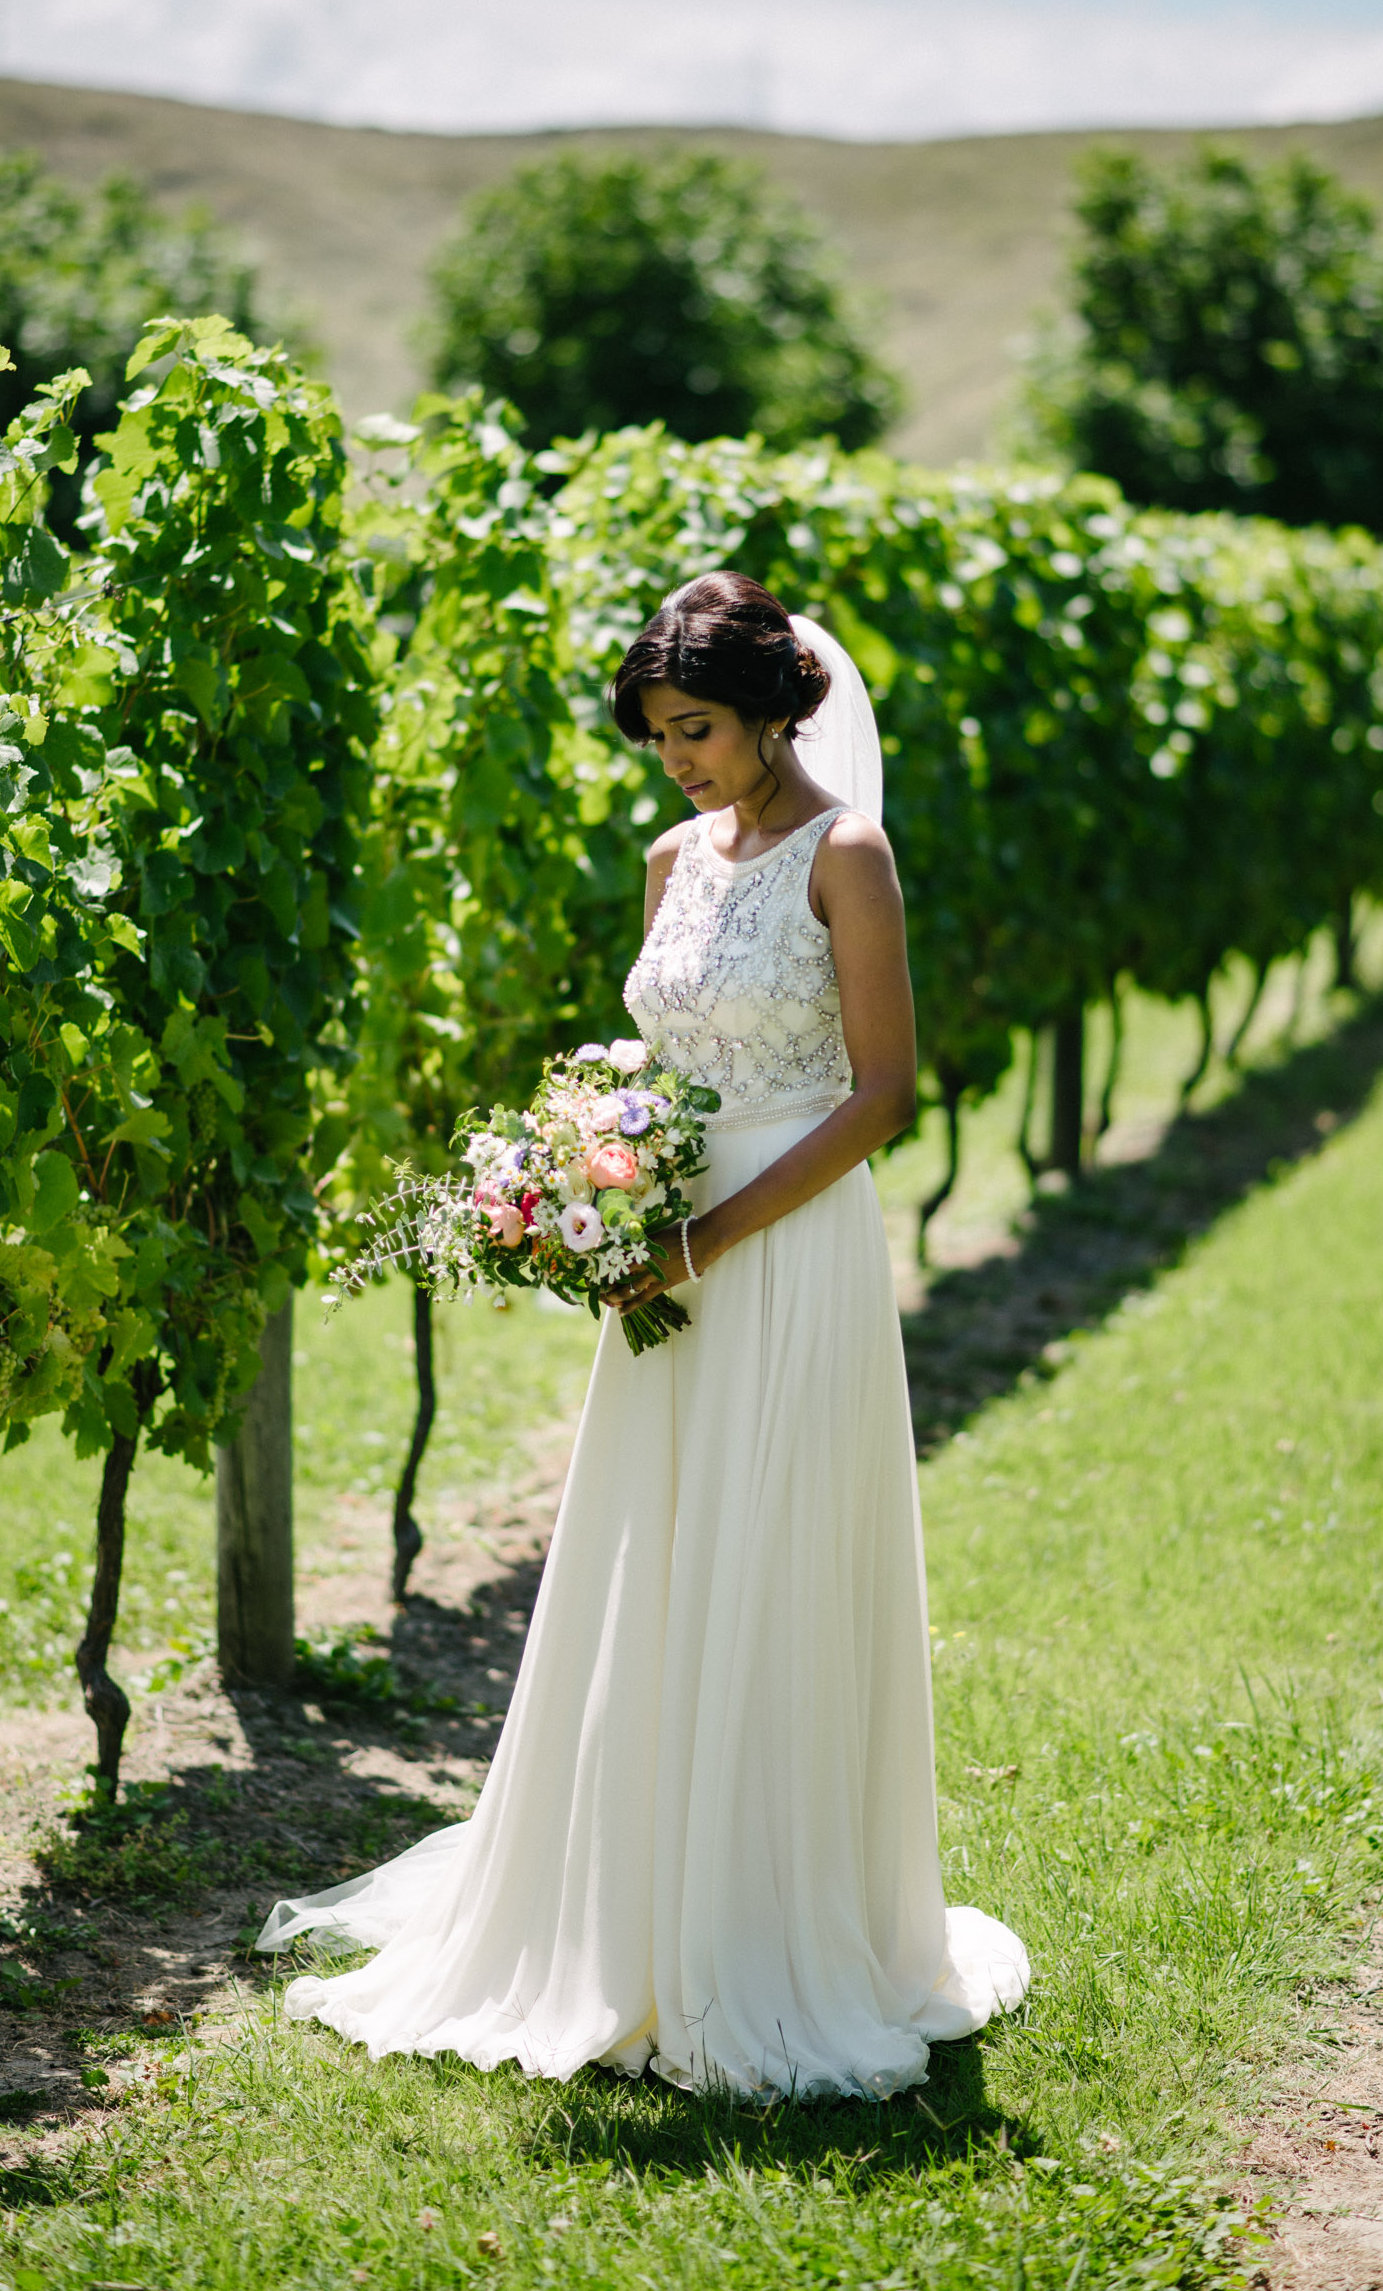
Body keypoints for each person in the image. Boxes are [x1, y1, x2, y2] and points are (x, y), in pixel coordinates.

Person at [257, 571, 1029, 2097]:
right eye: (659, 734)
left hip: (787, 1251)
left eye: (697, 730)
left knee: (771, 1560)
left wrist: (706, 1235)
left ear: (775, 712)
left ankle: (765, 1928)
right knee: (652, 1562)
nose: (675, 760)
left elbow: (882, 1094)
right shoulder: (673, 857)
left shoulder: (849, 857)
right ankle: (624, 1915)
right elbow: (663, 1060)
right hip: (661, 1264)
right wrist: (589, 1181)